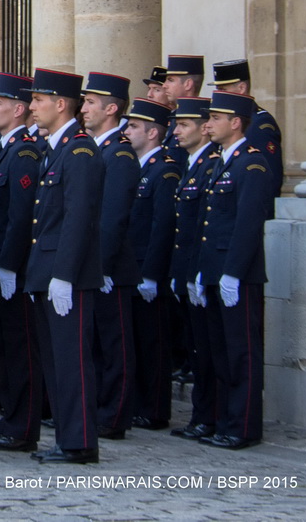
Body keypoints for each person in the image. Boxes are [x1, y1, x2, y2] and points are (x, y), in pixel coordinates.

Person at [26, 68, 104, 465]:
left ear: (60, 105)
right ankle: (66, 437)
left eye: (39, 101)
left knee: (71, 359)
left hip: (65, 274)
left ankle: (80, 441)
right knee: (56, 359)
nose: (32, 107)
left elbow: (78, 219)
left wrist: (63, 275)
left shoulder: (80, 150)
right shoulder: (57, 148)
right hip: (47, 269)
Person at [195, 90, 273, 450]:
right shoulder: (219, 161)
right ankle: (224, 420)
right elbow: (210, 223)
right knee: (219, 351)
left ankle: (243, 426)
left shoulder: (252, 163)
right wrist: (204, 270)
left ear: (236, 123)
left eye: (215, 119)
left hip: (236, 274)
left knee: (241, 351)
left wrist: (234, 272)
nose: (207, 125)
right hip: (214, 269)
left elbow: (248, 222)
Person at [0, 72, 43, 454]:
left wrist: (9, 265)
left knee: (20, 349)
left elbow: (21, 217)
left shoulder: (24, 151)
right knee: (6, 346)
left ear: (19, 110)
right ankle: (11, 422)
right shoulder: (2, 147)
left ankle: (22, 427)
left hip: (12, 270)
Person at [80, 72, 140, 440]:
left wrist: (99, 267)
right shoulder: (96, 150)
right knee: (96, 343)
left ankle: (114, 414)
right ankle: (97, 407)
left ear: (112, 109)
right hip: (94, 265)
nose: (83, 108)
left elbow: (112, 218)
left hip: (111, 268)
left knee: (114, 344)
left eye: (90, 103)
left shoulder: (118, 153)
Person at [122, 98, 181, 431]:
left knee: (153, 342)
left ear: (154, 133)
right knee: (136, 341)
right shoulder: (137, 166)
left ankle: (154, 408)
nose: (127, 132)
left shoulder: (164, 169)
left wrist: (152, 275)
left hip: (148, 271)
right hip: (132, 267)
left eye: (133, 127)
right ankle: (138, 403)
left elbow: (163, 227)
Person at [168, 97, 220, 440]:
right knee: (199, 345)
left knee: (211, 349)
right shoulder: (192, 164)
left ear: (204, 129)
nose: (176, 131)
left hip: (205, 269)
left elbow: (208, 225)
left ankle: (211, 417)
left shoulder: (210, 165)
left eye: (184, 125)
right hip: (188, 270)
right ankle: (202, 417)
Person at [210, 59, 283, 199]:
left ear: (241, 88)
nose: (218, 95)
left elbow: (269, 177)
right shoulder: (226, 120)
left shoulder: (259, 123)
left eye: (223, 90)